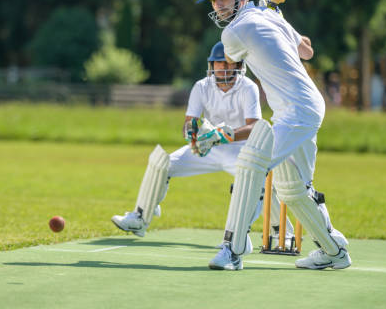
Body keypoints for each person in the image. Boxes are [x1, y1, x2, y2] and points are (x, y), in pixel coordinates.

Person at [197, 0, 350, 271]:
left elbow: (237, 56)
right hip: (300, 108)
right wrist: (280, 18)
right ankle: (335, 251)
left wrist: (273, 17)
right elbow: (307, 50)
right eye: (214, 1)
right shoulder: (270, 18)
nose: (218, 6)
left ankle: (233, 249)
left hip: (298, 110)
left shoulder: (234, 32)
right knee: (294, 189)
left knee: (251, 164)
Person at [111, 42, 295, 251]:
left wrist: (224, 135)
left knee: (256, 180)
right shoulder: (201, 86)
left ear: (238, 66)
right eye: (219, 63)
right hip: (208, 147)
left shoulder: (248, 87)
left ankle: (282, 233)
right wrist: (192, 133)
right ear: (212, 64)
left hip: (239, 149)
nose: (224, 67)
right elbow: (189, 122)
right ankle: (140, 217)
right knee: (163, 162)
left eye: (229, 63)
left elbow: (253, 126)